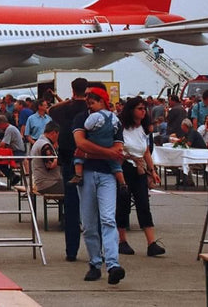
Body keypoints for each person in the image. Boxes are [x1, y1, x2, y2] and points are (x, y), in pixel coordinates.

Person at [73, 86, 126, 285]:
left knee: (107, 219)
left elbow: (85, 147)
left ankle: (111, 264)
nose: (88, 101)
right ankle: (96, 262)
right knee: (89, 224)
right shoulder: (82, 118)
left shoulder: (112, 120)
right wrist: (108, 153)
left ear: (102, 100)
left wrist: (89, 153)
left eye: (92, 99)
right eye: (87, 98)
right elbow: (80, 143)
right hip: (99, 172)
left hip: (100, 174)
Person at [116, 97, 165, 257]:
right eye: (140, 109)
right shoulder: (121, 128)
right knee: (123, 204)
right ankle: (121, 240)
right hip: (125, 166)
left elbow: (146, 151)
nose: (143, 112)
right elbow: (118, 148)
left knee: (143, 203)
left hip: (139, 168)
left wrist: (152, 170)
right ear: (131, 111)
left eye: (144, 109)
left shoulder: (143, 129)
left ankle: (151, 243)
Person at [49, 77, 87, 262]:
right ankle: (99, 250)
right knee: (94, 206)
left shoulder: (63, 109)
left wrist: (67, 100)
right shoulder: (90, 109)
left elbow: (51, 110)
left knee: (71, 206)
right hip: (89, 158)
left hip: (68, 159)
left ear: (72, 90)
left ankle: (71, 251)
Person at [68, 88, 127, 194]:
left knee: (78, 157)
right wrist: (109, 153)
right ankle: (122, 182)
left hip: (94, 149)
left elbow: (83, 139)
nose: (89, 106)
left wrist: (87, 154)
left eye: (91, 103)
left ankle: (78, 175)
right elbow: (117, 148)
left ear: (101, 101)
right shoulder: (114, 117)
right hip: (108, 147)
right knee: (116, 166)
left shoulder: (92, 116)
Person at [30, 121, 63, 194]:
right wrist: (63, 156)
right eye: (58, 135)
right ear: (53, 133)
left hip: (42, 182)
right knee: (73, 189)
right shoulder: (45, 145)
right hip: (48, 183)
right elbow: (51, 165)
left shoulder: (39, 142)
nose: (57, 138)